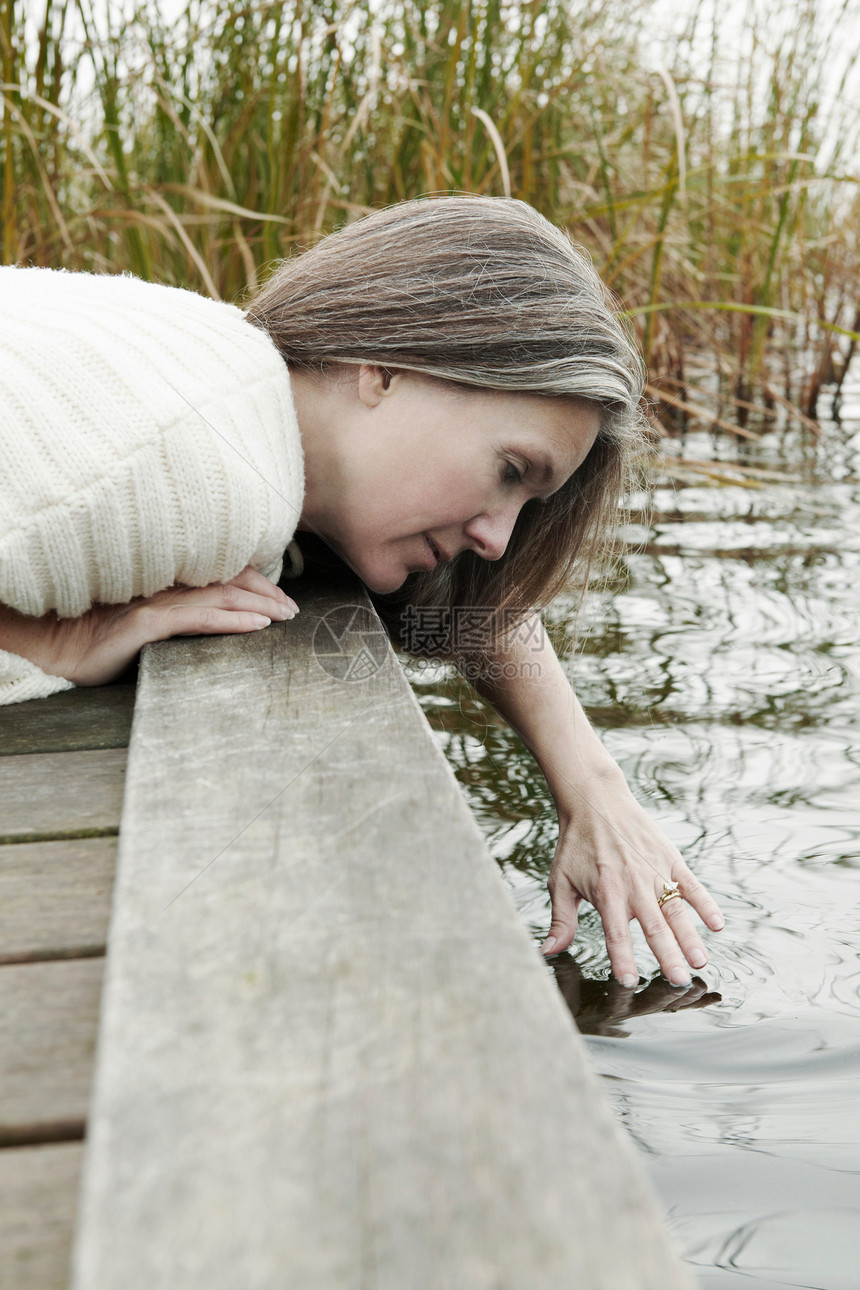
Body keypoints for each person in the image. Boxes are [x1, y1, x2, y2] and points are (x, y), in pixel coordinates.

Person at [0, 195, 724, 986]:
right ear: (382, 368)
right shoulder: (211, 471)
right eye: (510, 472)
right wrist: (45, 646)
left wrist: (595, 790)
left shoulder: (237, 390)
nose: (497, 539)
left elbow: (476, 610)